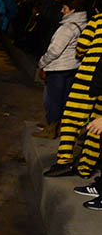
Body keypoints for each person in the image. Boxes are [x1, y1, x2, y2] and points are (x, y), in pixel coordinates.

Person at [44, 10, 102, 179]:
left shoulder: (98, 20)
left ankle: (64, 162)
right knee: (96, 125)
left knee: (71, 118)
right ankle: (85, 168)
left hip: (88, 76)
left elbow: (82, 46)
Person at [34, 0, 88, 139]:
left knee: (53, 101)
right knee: (65, 100)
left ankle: (51, 130)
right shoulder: (85, 25)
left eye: (64, 8)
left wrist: (42, 63)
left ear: (72, 10)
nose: (62, 11)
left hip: (58, 69)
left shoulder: (67, 27)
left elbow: (55, 51)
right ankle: (61, 129)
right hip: (72, 67)